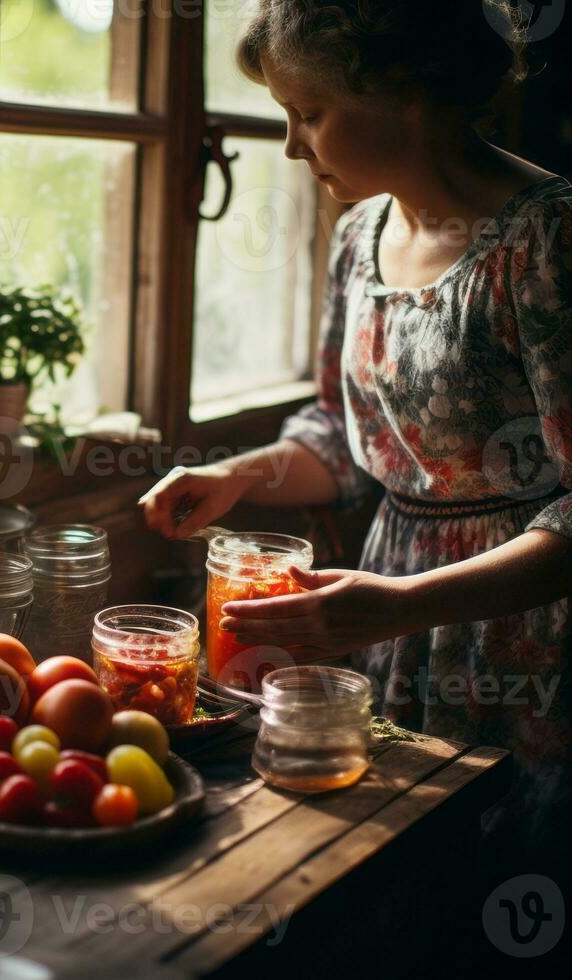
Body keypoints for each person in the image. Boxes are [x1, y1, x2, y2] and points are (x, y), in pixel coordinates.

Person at [139, 0, 572, 882]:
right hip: (384, 613)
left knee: (512, 882)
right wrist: (236, 474)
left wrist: (407, 602)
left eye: (310, 113)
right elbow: (342, 438)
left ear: (403, 91)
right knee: (401, 882)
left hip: (528, 637)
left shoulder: (548, 238)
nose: (294, 145)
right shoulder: (358, 238)